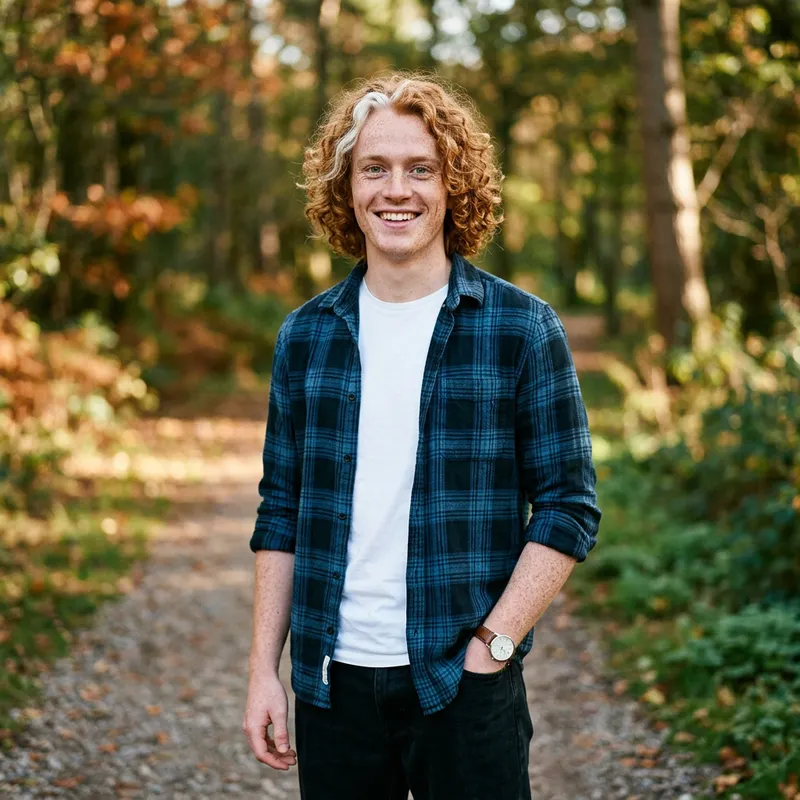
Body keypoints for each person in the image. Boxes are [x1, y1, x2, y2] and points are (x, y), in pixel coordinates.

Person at [242, 72, 601, 800]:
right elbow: (280, 511)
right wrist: (262, 672)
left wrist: (493, 646)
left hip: (465, 685)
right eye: (374, 168)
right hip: (331, 686)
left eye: (420, 169)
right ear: (347, 187)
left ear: (452, 185)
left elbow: (568, 506)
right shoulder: (307, 335)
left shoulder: (521, 329)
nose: (395, 189)